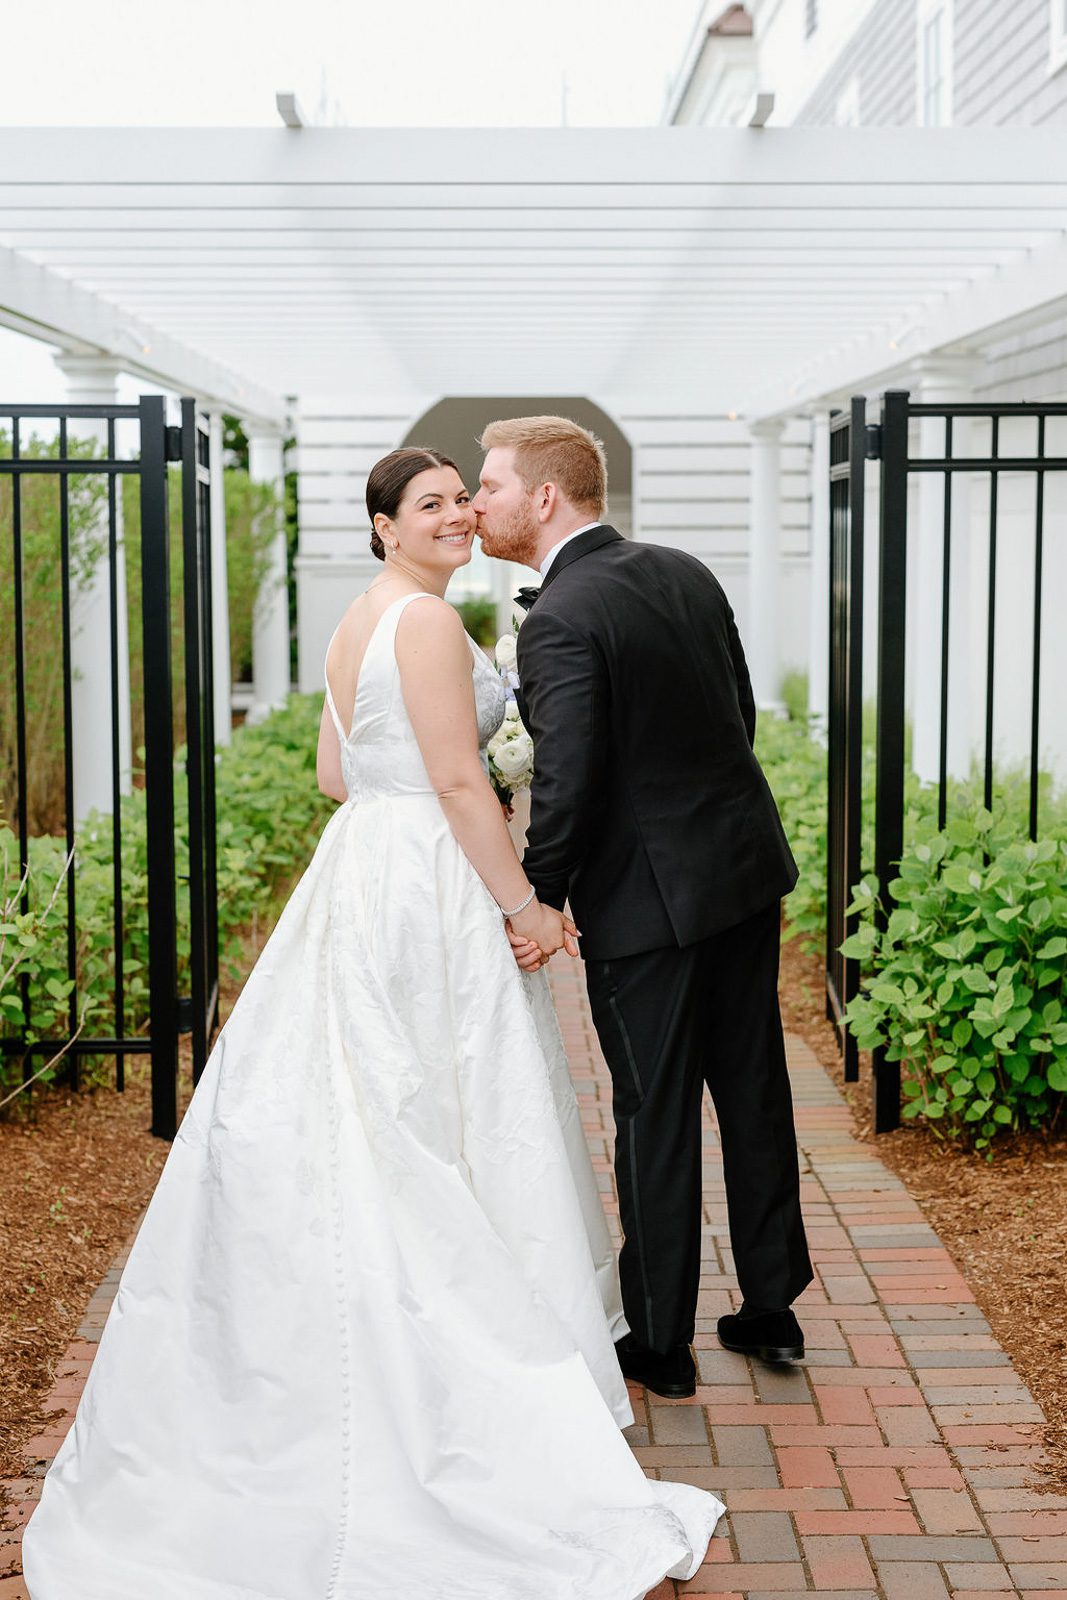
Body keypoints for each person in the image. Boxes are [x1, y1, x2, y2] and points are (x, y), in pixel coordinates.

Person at [22, 446, 722, 1600]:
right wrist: (524, 908)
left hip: (362, 870)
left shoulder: (359, 621)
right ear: (387, 525)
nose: (455, 516)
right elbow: (455, 783)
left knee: (369, 1094)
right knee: (443, 1104)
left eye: (463, 498)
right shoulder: (433, 629)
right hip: (433, 877)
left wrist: (424, 794)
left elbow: (334, 777)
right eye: (431, 505)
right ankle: (459, 1356)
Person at [473, 416, 813, 1402]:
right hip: (742, 872)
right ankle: (769, 1307)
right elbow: (737, 714)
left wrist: (538, 894)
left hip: (647, 906)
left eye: (491, 484)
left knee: (652, 1109)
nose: (480, 499)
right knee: (751, 1090)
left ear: (544, 497)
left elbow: (567, 782)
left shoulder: (559, 616)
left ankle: (659, 1341)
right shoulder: (683, 570)